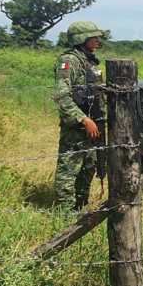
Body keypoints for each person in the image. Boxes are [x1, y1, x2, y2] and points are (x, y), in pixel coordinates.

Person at [53, 21, 108, 210]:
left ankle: (80, 207)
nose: (98, 40)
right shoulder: (69, 61)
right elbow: (61, 96)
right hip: (77, 127)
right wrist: (83, 119)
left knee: (89, 167)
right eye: (94, 37)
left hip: (94, 123)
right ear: (82, 39)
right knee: (68, 171)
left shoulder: (91, 62)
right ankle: (65, 213)